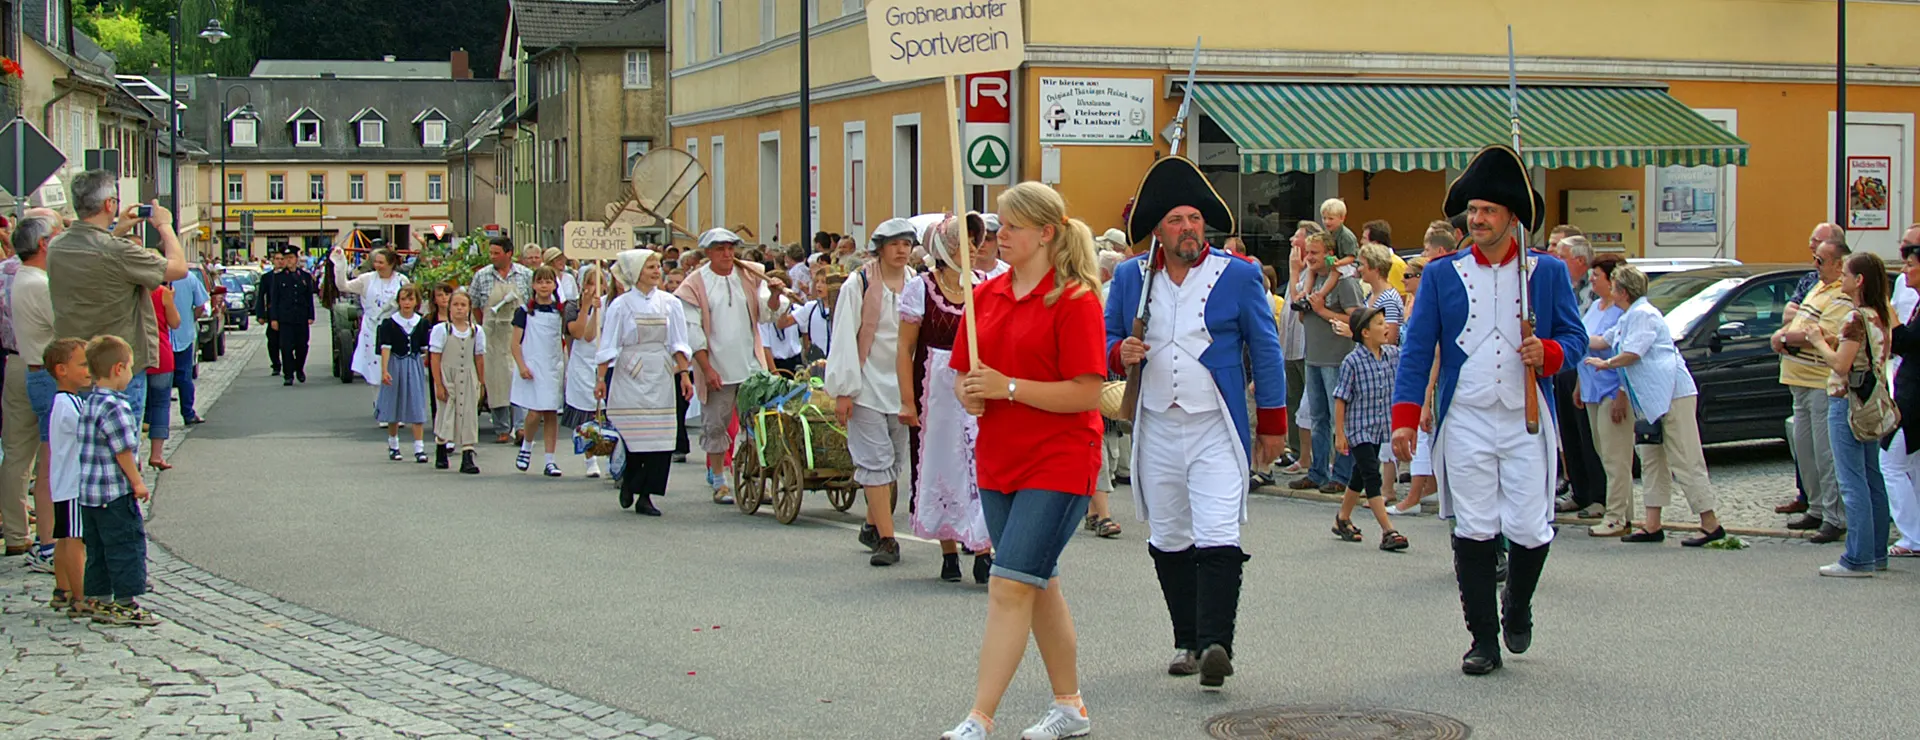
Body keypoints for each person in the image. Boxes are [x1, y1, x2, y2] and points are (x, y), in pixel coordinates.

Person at [1391, 144, 1585, 676]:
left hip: (1524, 418)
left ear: (1512, 219)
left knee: (1529, 527)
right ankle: (1483, 640)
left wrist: (1548, 354)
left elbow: (1576, 338)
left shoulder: (1544, 273)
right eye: (1472, 211)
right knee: (1473, 529)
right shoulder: (1441, 274)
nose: (1475, 220)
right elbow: (1416, 347)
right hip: (1468, 417)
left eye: (1487, 212)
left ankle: (1516, 605)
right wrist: (1405, 416)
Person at [1105, 156, 1287, 688]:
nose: (1188, 229)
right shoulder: (1129, 277)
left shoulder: (1239, 274)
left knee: (1217, 531)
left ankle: (1215, 643)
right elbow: (1106, 341)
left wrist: (1272, 426)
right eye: (1176, 220)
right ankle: (1186, 638)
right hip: (1157, 422)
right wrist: (1123, 352)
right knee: (1168, 535)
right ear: (1158, 229)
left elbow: (1267, 349)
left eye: (1194, 218)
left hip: (1215, 425)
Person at [940, 181, 1105, 740]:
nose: (997, 235)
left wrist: (1008, 387)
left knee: (1010, 585)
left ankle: (979, 718)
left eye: (1010, 226)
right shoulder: (983, 296)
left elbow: (1085, 391)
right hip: (999, 459)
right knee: (1038, 583)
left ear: (1045, 233)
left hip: (1059, 459)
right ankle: (1071, 707)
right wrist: (972, 392)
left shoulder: (1076, 299)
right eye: (997, 225)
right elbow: (965, 378)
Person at [1585, 265, 1725, 546]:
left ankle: (1711, 523)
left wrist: (1607, 363)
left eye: (1613, 286)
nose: (1610, 291)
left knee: (1684, 457)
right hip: (1649, 399)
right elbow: (1602, 340)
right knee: (1650, 458)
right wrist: (1570, 335)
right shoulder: (1628, 317)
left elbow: (1633, 353)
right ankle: (1652, 524)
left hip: (1673, 392)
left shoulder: (1644, 314)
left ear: (1623, 291)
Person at [49, 170, 188, 437]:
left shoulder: (58, 247)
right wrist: (164, 226)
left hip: (76, 362)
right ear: (109, 204)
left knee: (82, 447)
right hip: (117, 366)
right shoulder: (117, 251)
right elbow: (178, 268)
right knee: (120, 448)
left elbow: (97, 251)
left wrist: (119, 229)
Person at [900, 213, 994, 583]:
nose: (974, 246)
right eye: (965, 240)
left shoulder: (985, 285)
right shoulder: (921, 288)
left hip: (973, 384)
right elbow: (905, 348)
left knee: (977, 462)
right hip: (933, 389)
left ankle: (983, 548)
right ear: (945, 247)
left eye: (975, 239)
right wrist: (907, 400)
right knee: (941, 465)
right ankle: (949, 548)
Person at [827, 218, 917, 566]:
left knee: (894, 462)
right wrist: (844, 389)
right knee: (876, 462)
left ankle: (870, 524)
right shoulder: (860, 282)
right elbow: (844, 336)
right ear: (880, 248)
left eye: (906, 244)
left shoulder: (916, 283)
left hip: (901, 386)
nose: (901, 250)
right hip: (865, 383)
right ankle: (887, 539)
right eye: (894, 244)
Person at [1802, 251, 1896, 577]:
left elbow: (1841, 364)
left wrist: (1817, 340)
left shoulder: (1856, 318)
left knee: (1852, 481)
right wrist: (1834, 339)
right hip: (1871, 402)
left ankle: (1857, 558)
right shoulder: (1880, 314)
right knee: (1872, 478)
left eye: (1847, 273)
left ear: (1860, 281)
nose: (1841, 277)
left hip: (1848, 402)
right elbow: (1861, 352)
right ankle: (1877, 552)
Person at [677, 227, 781, 505]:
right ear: (708, 252)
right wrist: (706, 368)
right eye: (720, 249)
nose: (727, 254)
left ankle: (754, 478)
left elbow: (766, 315)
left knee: (756, 427)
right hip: (718, 368)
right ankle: (719, 480)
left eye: (730, 248)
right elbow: (693, 332)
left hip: (750, 366)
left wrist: (773, 295)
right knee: (716, 426)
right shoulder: (695, 284)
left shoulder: (747, 276)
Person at [596, 249, 694, 517]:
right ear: (636, 272)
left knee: (660, 439)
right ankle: (629, 481)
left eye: (657, 266)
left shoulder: (670, 303)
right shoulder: (621, 305)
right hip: (630, 371)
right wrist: (601, 378)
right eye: (650, 266)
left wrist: (684, 374)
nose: (656, 270)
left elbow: (678, 341)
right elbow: (608, 344)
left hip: (660, 372)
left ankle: (646, 494)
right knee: (632, 435)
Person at [1773, 234, 1854, 542]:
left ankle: (1835, 517)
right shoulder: (1817, 287)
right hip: (1797, 378)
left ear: (1837, 263)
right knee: (1804, 451)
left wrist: (1784, 338)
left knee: (1825, 452)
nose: (1814, 264)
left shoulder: (1840, 294)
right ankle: (1817, 507)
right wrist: (1785, 334)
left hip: (1820, 381)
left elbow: (1823, 333)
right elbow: (1796, 322)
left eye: (1820, 260)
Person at [74, 335, 158, 626]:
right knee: (125, 545)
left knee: (98, 548)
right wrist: (137, 482)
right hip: (114, 492)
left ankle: (100, 597)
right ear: (117, 369)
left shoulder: (90, 402)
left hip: (90, 493)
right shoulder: (115, 406)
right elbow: (122, 449)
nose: (131, 374)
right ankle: (125, 601)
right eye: (130, 368)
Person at [0, 214, 60, 566]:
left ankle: (15, 532)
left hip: (15, 359)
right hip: (41, 363)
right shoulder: (39, 283)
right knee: (48, 457)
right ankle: (47, 538)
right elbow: (61, 322)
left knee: (16, 454)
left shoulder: (9, 273)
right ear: (42, 244)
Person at [1290, 232, 1365, 495]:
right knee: (1318, 418)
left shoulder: (1344, 283)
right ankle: (1317, 471)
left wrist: (1323, 311)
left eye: (1314, 253)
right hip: (1314, 357)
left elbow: (1357, 319)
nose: (1309, 258)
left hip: (1337, 359)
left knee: (1338, 420)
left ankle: (1342, 474)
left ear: (1329, 255)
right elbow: (1303, 319)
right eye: (1307, 252)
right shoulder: (1311, 281)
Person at [1332, 307, 1407, 551]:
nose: (1386, 328)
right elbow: (1341, 398)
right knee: (1371, 475)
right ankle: (1388, 530)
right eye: (1379, 323)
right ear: (1365, 332)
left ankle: (1343, 518)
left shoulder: (1392, 355)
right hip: (1358, 429)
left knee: (1359, 474)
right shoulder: (1352, 362)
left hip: (1379, 427)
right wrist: (1340, 434)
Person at [1572, 255, 1634, 536]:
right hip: (1591, 389)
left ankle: (1617, 516)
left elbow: (1617, 350)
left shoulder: (1621, 313)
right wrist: (1578, 386)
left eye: (1597, 274)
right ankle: (1622, 512)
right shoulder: (1595, 307)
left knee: (1615, 456)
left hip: (1611, 388)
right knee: (1602, 452)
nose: (1592, 278)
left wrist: (1622, 393)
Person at [470, 237, 535, 443]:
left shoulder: (525, 275)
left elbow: (532, 303)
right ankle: (502, 428)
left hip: (519, 334)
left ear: (509, 253)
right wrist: (486, 326)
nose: (493, 257)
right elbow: (475, 304)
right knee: (496, 380)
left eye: (496, 253)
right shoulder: (482, 276)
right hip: (493, 335)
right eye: (491, 253)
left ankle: (520, 427)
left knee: (518, 377)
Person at [42, 338, 89, 617]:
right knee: (75, 540)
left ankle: (62, 588)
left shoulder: (69, 401)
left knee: (64, 537)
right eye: (82, 365)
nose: (88, 370)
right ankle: (81, 594)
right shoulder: (66, 404)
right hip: (72, 483)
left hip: (64, 484)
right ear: (61, 370)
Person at [330, 241, 412, 387]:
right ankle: (378, 407)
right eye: (376, 262)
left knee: (394, 372)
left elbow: (409, 302)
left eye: (381, 262)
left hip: (395, 330)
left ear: (391, 264)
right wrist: (340, 263)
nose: (377, 265)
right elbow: (343, 286)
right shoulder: (366, 279)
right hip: (372, 330)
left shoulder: (401, 281)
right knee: (375, 374)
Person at [1280, 222, 1326, 477]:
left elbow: (1299, 302)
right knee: (1293, 401)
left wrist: (1295, 270)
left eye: (1296, 238)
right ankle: (1298, 452)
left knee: (1311, 407)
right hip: (1289, 348)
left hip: (1307, 348)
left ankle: (1316, 457)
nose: (1291, 241)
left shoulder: (1311, 273)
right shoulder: (1296, 269)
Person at [512, 267, 568, 477]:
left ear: (554, 285)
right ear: (534, 285)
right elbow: (515, 343)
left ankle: (550, 460)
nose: (544, 286)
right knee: (534, 412)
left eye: (548, 282)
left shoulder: (560, 311)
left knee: (551, 412)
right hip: (533, 366)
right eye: (540, 282)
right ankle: (526, 445)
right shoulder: (524, 312)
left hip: (552, 367)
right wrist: (522, 366)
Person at [1885, 234, 1920, 558]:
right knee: (1911, 464)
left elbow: (1906, 341)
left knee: (1891, 462)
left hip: (1913, 398)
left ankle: (1911, 536)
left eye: (1910, 265)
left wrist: (1889, 314)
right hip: (1908, 388)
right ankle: (1915, 534)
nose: (1905, 271)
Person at [563, 265, 611, 478]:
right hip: (583, 363)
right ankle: (590, 457)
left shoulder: (612, 304)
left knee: (608, 413)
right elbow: (584, 334)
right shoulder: (572, 306)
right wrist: (588, 309)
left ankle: (612, 456)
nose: (594, 288)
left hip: (604, 362)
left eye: (598, 283)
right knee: (586, 413)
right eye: (590, 283)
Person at [376, 284, 433, 463]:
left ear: (416, 302)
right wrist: (384, 370)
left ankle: (419, 447)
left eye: (410, 299)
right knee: (394, 403)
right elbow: (385, 348)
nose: (406, 303)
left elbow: (426, 348)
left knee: (416, 403)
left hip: (413, 364)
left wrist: (428, 362)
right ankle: (393, 444)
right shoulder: (390, 323)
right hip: (395, 363)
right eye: (403, 299)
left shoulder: (422, 323)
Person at [430, 290, 486, 474]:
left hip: (468, 375)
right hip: (448, 375)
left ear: (469, 308)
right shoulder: (442, 330)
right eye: (456, 305)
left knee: (468, 414)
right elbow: (435, 358)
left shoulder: (476, 331)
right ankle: (441, 447)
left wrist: (481, 382)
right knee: (446, 412)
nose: (460, 309)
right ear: (450, 307)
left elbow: (479, 357)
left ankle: (468, 454)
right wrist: (438, 383)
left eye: (463, 305)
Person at [261, 245, 318, 385]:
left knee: (302, 346)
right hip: (285, 318)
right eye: (286, 258)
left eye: (291, 258)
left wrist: (311, 315)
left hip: (301, 317)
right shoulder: (279, 278)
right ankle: (288, 375)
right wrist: (273, 318)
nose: (288, 261)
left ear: (297, 259)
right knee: (285, 347)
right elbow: (274, 299)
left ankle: (299, 368)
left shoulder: (304, 277)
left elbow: (309, 298)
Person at [141, 285, 181, 469]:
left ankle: (132, 456)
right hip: (160, 352)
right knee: (160, 404)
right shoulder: (162, 292)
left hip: (134, 354)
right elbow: (175, 322)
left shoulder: (126, 288)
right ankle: (156, 454)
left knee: (133, 407)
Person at [169, 270, 211, 425]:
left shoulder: (153, 275)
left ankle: (154, 419)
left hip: (160, 336)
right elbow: (201, 305)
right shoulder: (188, 276)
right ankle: (188, 413)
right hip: (183, 334)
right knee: (185, 377)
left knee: (160, 379)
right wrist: (190, 318)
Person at [761, 274, 805, 375]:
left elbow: (805, 333)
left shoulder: (796, 310)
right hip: (776, 364)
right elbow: (765, 347)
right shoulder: (765, 317)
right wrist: (775, 373)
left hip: (796, 361)